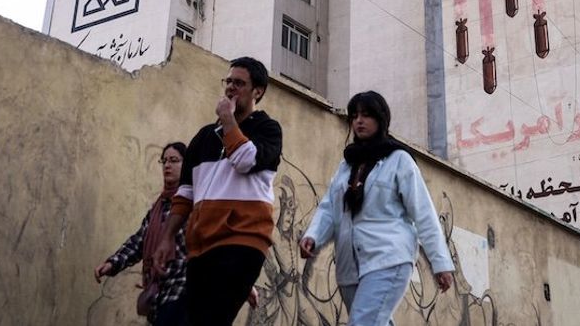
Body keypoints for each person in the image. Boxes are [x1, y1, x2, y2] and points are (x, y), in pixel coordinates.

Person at [299, 91, 455, 326]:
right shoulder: (347, 164)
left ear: (381, 119)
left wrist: (440, 263)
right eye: (354, 116)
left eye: (366, 115)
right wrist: (313, 235)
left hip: (388, 257)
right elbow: (330, 208)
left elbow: (423, 213)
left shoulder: (399, 159)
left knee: (362, 323)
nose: (359, 121)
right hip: (349, 264)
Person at [153, 56, 282, 326]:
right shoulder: (203, 138)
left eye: (239, 83)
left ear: (257, 91)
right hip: (201, 247)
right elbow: (184, 195)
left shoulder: (267, 129)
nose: (231, 88)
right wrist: (166, 238)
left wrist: (227, 120)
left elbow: (245, 160)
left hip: (243, 240)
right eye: (228, 82)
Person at [94, 142, 190, 326]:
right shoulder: (158, 208)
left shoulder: (194, 203)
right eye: (164, 161)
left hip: (182, 291)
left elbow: (213, 242)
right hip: (158, 296)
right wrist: (112, 263)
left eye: (174, 160)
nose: (167, 165)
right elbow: (139, 241)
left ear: (186, 164)